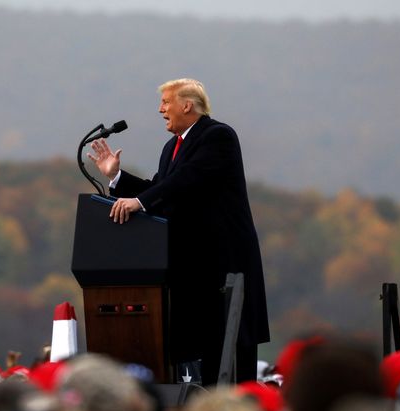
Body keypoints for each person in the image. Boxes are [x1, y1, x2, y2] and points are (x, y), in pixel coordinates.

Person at [88, 78, 269, 384]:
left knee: (229, 352)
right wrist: (117, 177)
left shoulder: (218, 135)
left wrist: (139, 202)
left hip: (224, 264)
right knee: (205, 353)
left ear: (187, 105)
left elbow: (187, 179)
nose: (160, 109)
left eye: (166, 102)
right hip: (194, 267)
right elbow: (160, 190)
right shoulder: (172, 146)